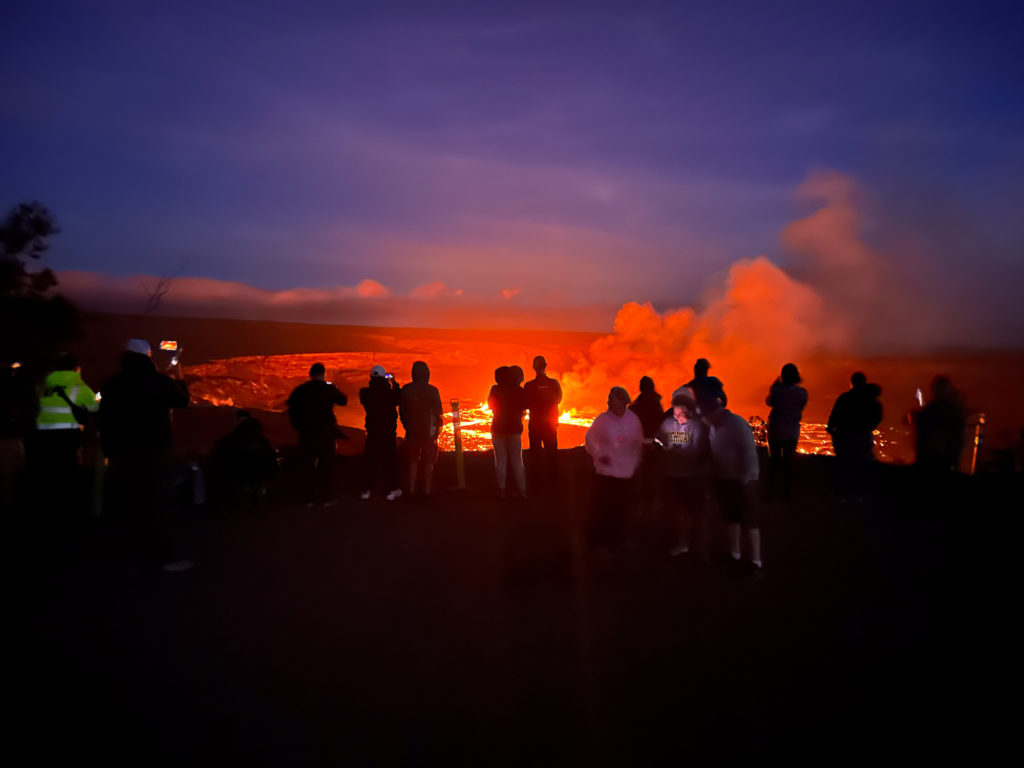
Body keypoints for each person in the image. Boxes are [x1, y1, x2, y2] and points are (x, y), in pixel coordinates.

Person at [99, 339, 191, 575]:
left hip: (123, 454)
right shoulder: (159, 382)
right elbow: (182, 401)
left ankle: (129, 560)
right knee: (157, 505)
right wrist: (179, 378)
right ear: (148, 356)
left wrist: (109, 451)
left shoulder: (112, 385)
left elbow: (104, 421)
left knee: (128, 505)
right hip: (155, 452)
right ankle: (162, 559)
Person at [699, 388, 763, 577]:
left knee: (749, 520)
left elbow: (748, 453)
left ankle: (756, 561)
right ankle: (734, 554)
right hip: (725, 478)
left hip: (744, 480)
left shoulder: (737, 424)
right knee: (731, 517)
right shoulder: (714, 425)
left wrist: (745, 479)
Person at [30, 353, 100, 526]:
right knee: (69, 472)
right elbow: (94, 406)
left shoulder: (44, 384)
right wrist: (97, 398)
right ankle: (68, 513)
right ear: (76, 368)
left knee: (48, 472)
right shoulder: (77, 384)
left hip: (43, 435)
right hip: (67, 435)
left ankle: (46, 511)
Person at [584, 387, 644, 552]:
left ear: (622, 402)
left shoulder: (632, 420)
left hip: (626, 474)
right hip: (607, 474)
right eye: (609, 398)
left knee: (622, 508)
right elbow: (589, 439)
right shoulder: (603, 420)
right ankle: (598, 541)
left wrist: (634, 461)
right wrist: (598, 454)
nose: (608, 401)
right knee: (603, 507)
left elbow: (637, 442)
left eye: (612, 399)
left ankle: (618, 540)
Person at [658, 386, 711, 558]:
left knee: (693, 512)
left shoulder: (699, 425)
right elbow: (660, 438)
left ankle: (696, 545)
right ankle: (686, 543)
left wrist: (673, 450)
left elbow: (699, 451)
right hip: (676, 475)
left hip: (692, 476)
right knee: (682, 512)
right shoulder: (669, 422)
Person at [286, 362, 348, 507]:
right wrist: (332, 387)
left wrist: (297, 426)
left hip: (306, 434)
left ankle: (308, 498)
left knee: (307, 465)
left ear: (310, 374)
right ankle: (325, 498)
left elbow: (291, 405)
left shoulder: (301, 390)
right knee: (327, 465)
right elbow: (343, 400)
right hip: (325, 434)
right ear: (323, 374)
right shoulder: (328, 389)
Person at [826, 372, 883, 501]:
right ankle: (859, 494)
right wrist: (869, 427)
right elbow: (878, 415)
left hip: (845, 436)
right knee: (861, 465)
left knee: (845, 465)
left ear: (851, 383)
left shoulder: (845, 398)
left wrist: (832, 429)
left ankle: (843, 493)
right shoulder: (870, 399)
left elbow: (834, 414)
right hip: (862, 436)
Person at [210, 410, 277, 505]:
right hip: (259, 477)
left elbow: (218, 459)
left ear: (237, 421)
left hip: (239, 478)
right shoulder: (262, 440)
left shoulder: (229, 440)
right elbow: (271, 460)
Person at [399, 360, 443, 499]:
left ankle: (411, 490)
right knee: (429, 462)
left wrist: (407, 426)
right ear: (427, 374)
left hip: (411, 431)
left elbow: (402, 412)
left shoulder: (406, 390)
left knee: (413, 461)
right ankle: (427, 490)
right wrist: (436, 432)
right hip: (428, 432)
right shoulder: (432, 391)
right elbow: (438, 414)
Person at [765, 363, 808, 501]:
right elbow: (801, 406)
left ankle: (771, 491)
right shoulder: (802, 393)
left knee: (774, 461)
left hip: (776, 429)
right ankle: (787, 493)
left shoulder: (778, 391)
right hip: (792, 431)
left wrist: (774, 387)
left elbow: (769, 402)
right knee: (789, 462)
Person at [358, 365, 402, 502]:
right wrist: (394, 382)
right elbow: (399, 397)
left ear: (371, 377)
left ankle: (366, 490)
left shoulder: (364, 392)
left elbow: (367, 396)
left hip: (372, 432)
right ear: (384, 377)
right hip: (388, 433)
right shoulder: (389, 394)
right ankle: (391, 490)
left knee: (370, 462)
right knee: (390, 462)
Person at [488, 366, 527, 499]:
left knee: (500, 461)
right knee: (517, 461)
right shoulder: (519, 391)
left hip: (498, 428)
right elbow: (524, 408)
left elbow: (491, 406)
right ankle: (523, 491)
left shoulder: (495, 390)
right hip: (515, 429)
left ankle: (502, 491)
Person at [523, 355, 562, 482]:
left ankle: (536, 481)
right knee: (552, 453)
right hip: (550, 424)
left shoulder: (528, 386)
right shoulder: (554, 384)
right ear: (545, 366)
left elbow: (526, 403)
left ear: (534, 367)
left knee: (535, 454)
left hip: (535, 424)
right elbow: (558, 399)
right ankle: (553, 481)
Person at [629, 376, 664, 515]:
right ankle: (651, 509)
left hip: (639, 447)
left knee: (640, 479)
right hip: (653, 447)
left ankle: (640, 510)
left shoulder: (635, 407)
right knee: (651, 478)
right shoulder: (656, 404)